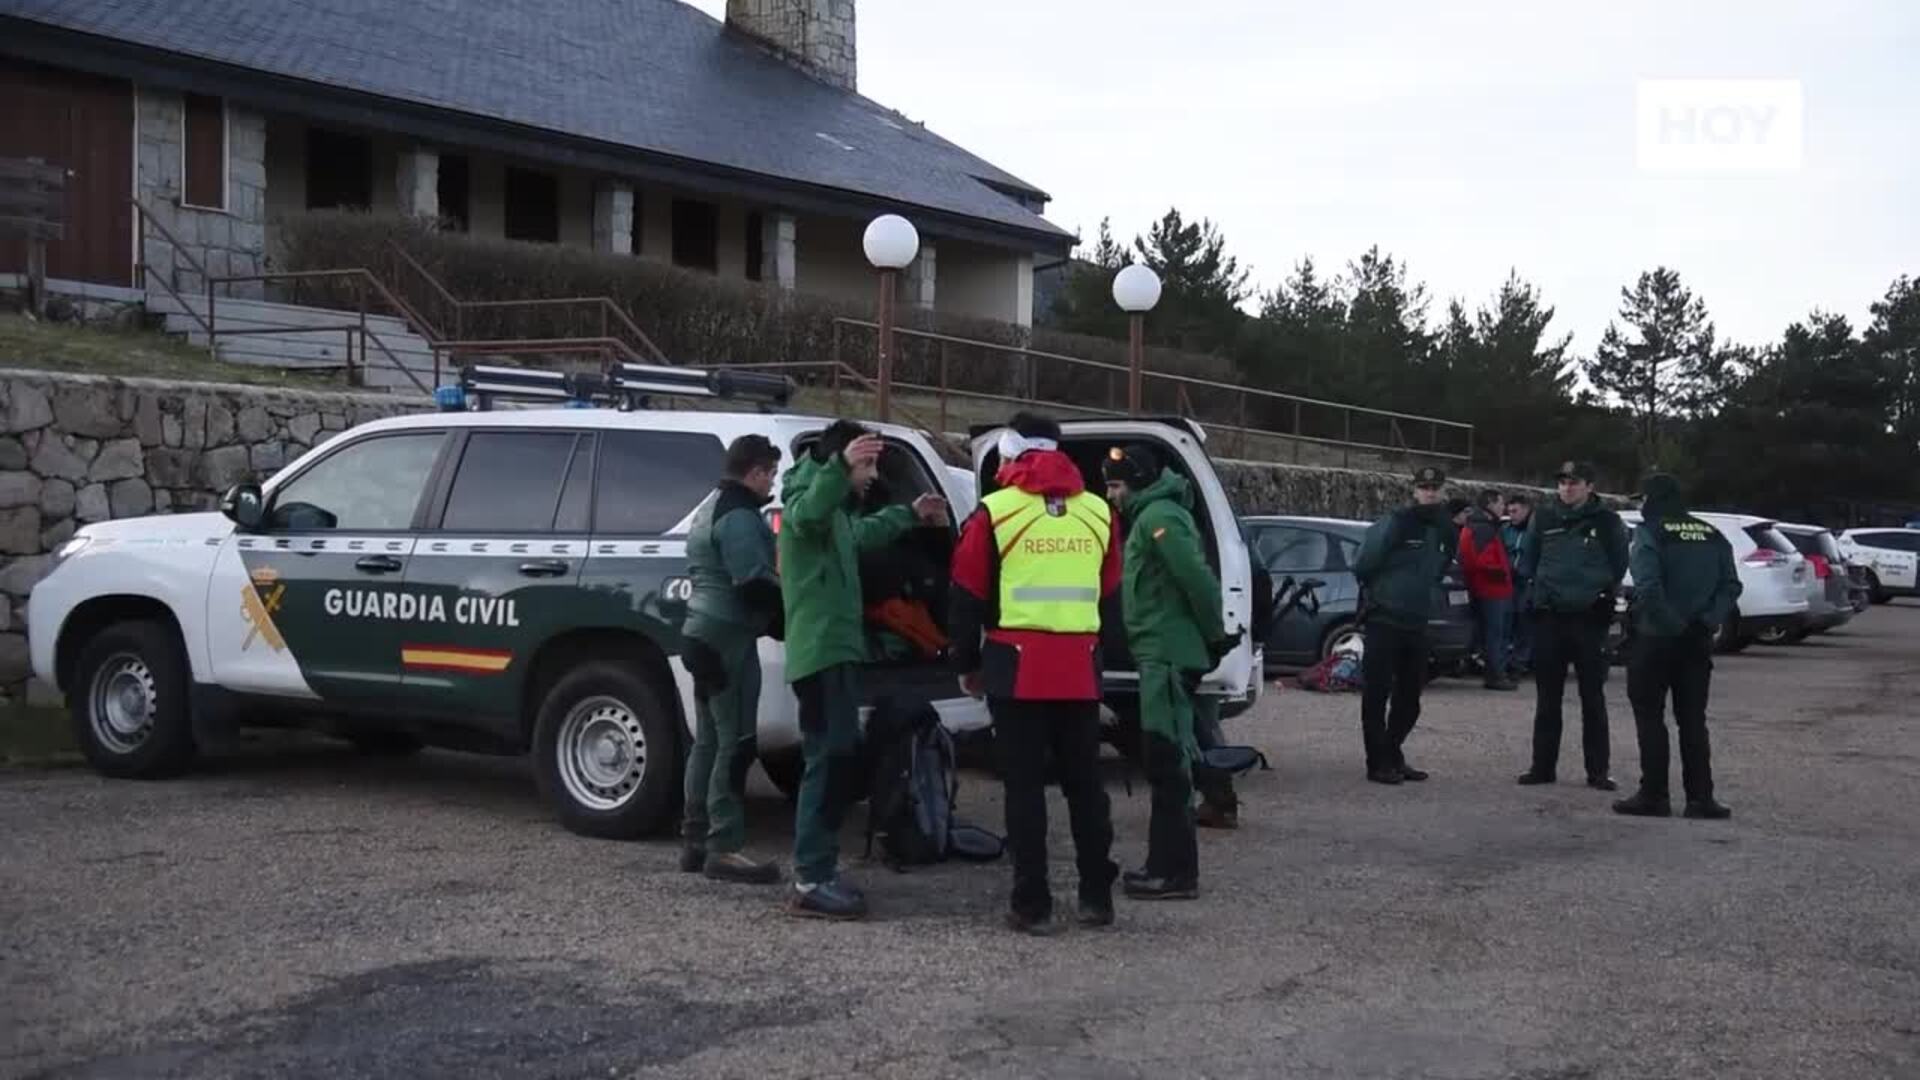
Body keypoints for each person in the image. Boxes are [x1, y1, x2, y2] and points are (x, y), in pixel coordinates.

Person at [951, 413, 1121, 934]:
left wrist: (966, 662)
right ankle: (1096, 897)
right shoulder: (1099, 512)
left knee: (1024, 790)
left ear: (1009, 453)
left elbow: (966, 592)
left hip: (1016, 667)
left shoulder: (995, 512)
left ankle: (1033, 903)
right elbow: (1111, 594)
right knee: (1085, 785)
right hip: (1079, 668)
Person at [779, 420, 948, 919]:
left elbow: (858, 533)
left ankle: (819, 869)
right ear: (840, 461)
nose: (872, 475)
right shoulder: (805, 504)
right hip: (821, 653)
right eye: (867, 464)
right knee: (827, 760)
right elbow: (808, 516)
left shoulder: (835, 514)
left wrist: (908, 515)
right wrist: (839, 467)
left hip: (838, 652)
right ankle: (810, 878)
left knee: (835, 757)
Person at [1104, 445, 1236, 900]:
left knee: (1168, 763)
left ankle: (1174, 874)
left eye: (1116, 485)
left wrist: (1215, 633)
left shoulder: (1160, 517)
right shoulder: (1151, 515)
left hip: (1167, 655)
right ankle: (1167, 868)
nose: (1110, 495)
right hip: (1160, 653)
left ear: (1136, 483)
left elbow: (1195, 578)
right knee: (1165, 761)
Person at [679, 435, 785, 885]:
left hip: (699, 631)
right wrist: (786, 620)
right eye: (771, 475)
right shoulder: (740, 516)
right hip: (728, 638)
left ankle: (695, 839)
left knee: (706, 740)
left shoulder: (708, 508)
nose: (772, 484)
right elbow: (753, 583)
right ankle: (725, 847)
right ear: (756, 472)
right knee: (736, 742)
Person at [1614, 474, 1740, 820]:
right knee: (1693, 721)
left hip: (1655, 638)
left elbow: (1648, 586)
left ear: (1653, 499)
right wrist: (1707, 622)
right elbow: (1731, 586)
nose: (1640, 506)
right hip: (1697, 640)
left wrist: (1671, 626)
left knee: (1651, 718)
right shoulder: (1711, 534)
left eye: (1642, 499)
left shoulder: (1650, 533)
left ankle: (1654, 795)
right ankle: (1701, 799)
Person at [1517, 460, 1628, 791]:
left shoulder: (1607, 522)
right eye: (1563, 482)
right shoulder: (1545, 516)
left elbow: (1619, 563)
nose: (1566, 487)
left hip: (1589, 617)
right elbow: (1529, 560)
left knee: (1592, 697)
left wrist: (1595, 592)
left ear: (1589, 486)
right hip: (1550, 616)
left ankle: (1597, 771)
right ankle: (1542, 767)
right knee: (1547, 698)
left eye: (1574, 482)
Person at [1352, 466, 1457, 784]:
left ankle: (1392, 752)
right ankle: (1378, 763)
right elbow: (1364, 563)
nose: (1429, 492)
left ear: (1442, 491)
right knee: (1376, 694)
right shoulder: (1397, 521)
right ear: (1414, 491)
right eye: (1424, 487)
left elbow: (1442, 563)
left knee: (1410, 698)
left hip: (1417, 621)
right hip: (1385, 618)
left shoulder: (1444, 526)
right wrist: (1383, 594)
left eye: (1434, 488)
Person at [1460, 488, 1519, 691]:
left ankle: (1495, 672)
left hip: (1492, 588)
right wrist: (1504, 572)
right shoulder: (1483, 529)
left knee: (1494, 633)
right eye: (1501, 503)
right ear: (1490, 504)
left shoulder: (1480, 526)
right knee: (1495, 634)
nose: (1503, 508)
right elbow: (1479, 560)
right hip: (1492, 589)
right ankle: (1496, 674)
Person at [1502, 494, 1536, 674]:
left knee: (1524, 621)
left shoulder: (1535, 531)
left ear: (1526, 509)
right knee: (1509, 620)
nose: (1512, 515)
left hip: (1528, 581)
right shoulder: (1506, 530)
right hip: (1509, 581)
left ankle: (1520, 660)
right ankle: (1508, 657)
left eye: (1515, 511)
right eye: (1509, 512)